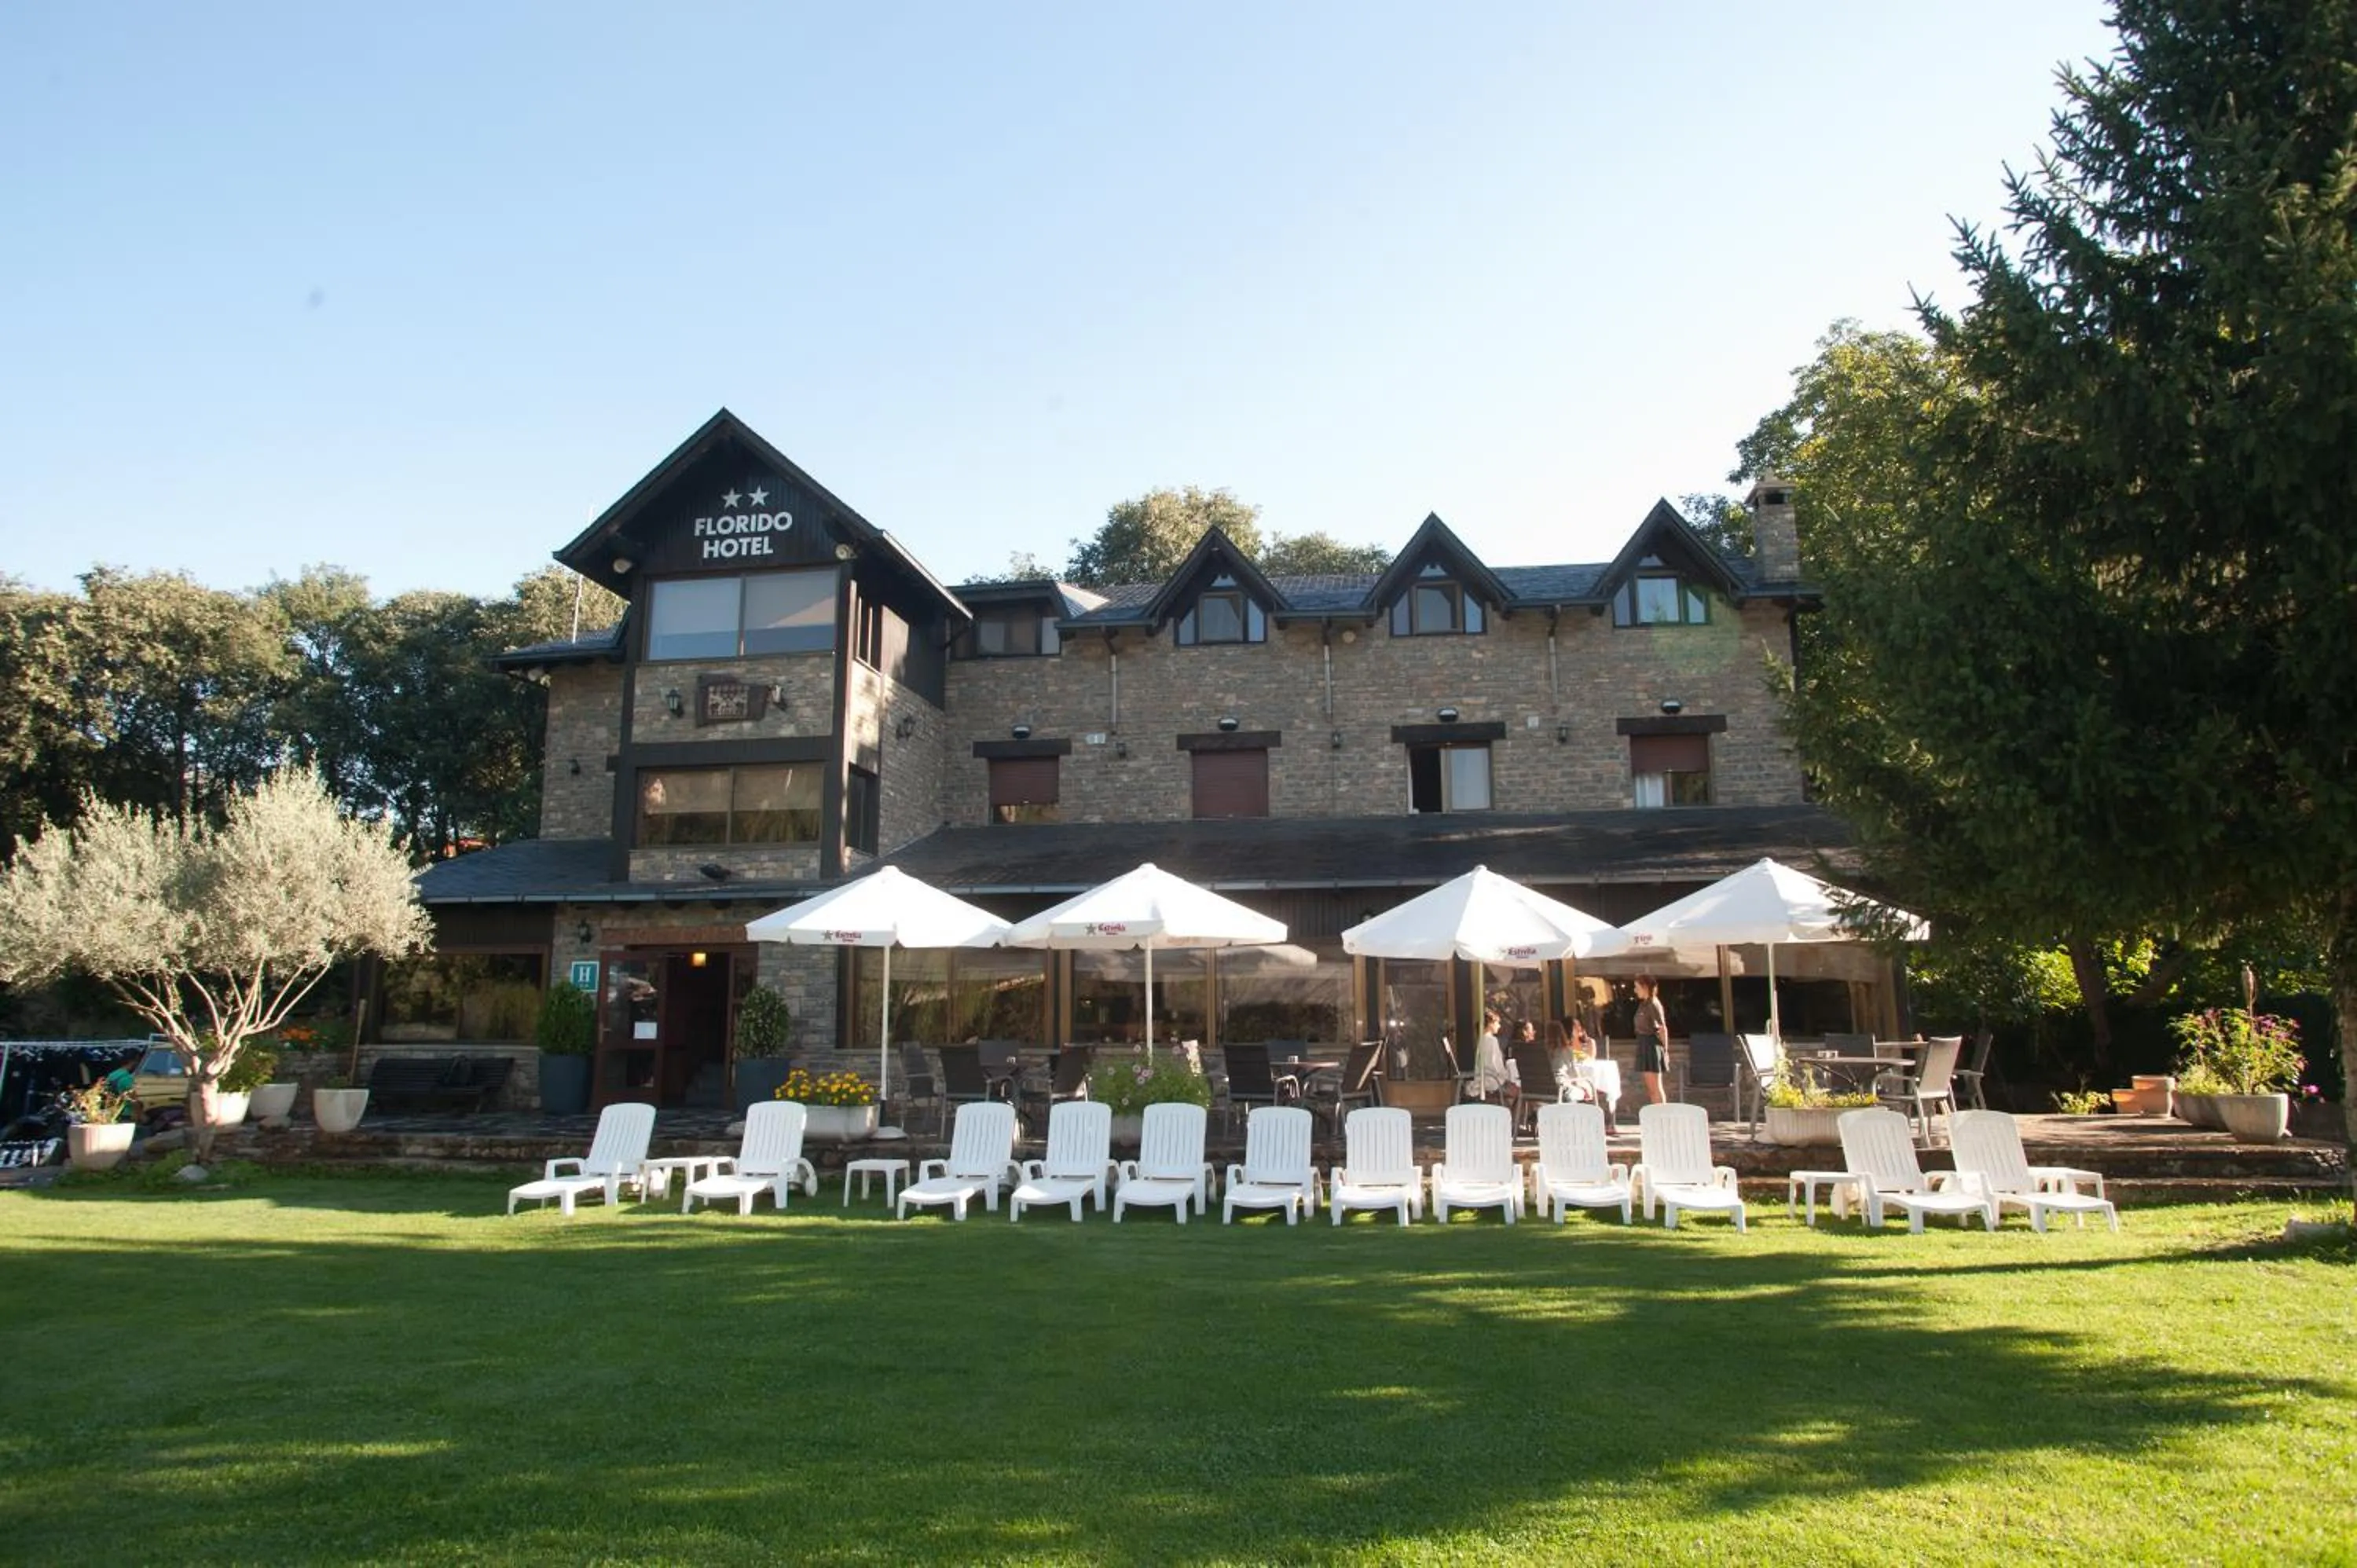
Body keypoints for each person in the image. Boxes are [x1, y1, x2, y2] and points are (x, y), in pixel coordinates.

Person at [1633, 975, 1669, 1108]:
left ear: (1645, 987)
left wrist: (1665, 1051)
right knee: (1650, 1088)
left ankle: (1662, 1118)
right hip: (1643, 1044)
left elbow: (1662, 1028)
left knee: (1655, 1087)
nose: (1635, 990)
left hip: (1651, 1045)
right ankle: (1657, 1116)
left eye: (1637, 987)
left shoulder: (1654, 1003)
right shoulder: (1644, 1004)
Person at [1469, 1009, 1512, 1105]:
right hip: (1492, 1081)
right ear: (1490, 1024)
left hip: (1482, 1079)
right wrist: (1508, 1075)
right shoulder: (1492, 1041)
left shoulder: (1481, 1040)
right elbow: (1497, 1066)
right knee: (1517, 1088)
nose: (1499, 1026)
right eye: (1497, 1023)